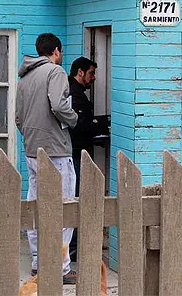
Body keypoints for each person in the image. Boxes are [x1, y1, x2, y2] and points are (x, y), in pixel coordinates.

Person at [15, 33, 78, 284]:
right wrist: (74, 119)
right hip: (55, 151)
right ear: (57, 51)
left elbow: (18, 118)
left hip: (32, 150)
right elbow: (59, 106)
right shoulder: (55, 72)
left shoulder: (25, 77)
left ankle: (37, 262)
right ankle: (61, 267)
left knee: (35, 207)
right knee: (63, 207)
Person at [67, 57, 99, 261]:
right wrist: (95, 129)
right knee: (76, 199)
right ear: (80, 72)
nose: (94, 78)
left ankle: (73, 245)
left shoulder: (74, 92)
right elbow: (78, 126)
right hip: (76, 153)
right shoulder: (74, 95)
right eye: (91, 73)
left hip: (77, 152)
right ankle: (74, 247)